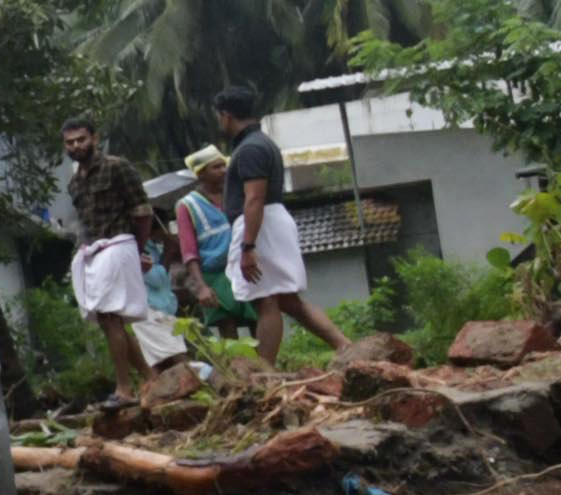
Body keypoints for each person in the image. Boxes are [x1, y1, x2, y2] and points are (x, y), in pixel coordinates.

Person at [211, 87, 349, 368]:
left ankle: (265, 370)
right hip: (267, 222)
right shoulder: (260, 143)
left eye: (219, 117)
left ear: (226, 116)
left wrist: (248, 246)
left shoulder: (250, 149)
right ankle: (344, 345)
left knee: (266, 301)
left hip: (261, 226)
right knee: (288, 300)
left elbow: (255, 197)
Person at [60, 117, 165, 397]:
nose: (76, 145)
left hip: (118, 245)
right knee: (109, 321)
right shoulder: (74, 183)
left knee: (110, 317)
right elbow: (83, 223)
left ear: (94, 138)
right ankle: (150, 376)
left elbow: (142, 211)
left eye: (81, 139)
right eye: (70, 142)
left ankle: (124, 388)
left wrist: (136, 249)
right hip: (92, 252)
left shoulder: (117, 166)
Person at [173, 148, 255, 336]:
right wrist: (201, 287)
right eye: (216, 167)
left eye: (224, 165)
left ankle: (266, 365)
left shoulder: (237, 195)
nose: (224, 170)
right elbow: (189, 252)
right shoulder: (187, 205)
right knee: (227, 328)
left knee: (258, 320)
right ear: (201, 173)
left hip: (243, 268)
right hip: (214, 276)